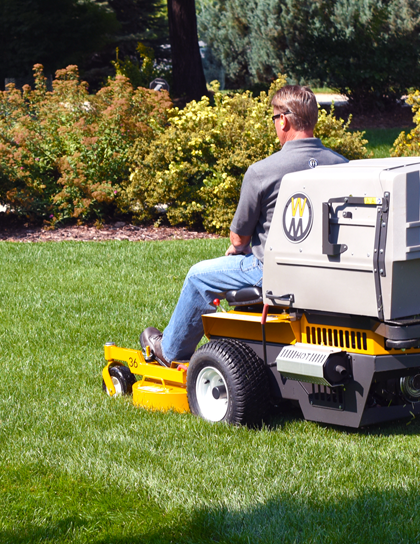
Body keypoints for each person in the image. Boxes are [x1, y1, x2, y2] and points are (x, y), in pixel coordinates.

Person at [141, 84, 348, 367]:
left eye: (274, 119)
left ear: (284, 120)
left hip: (273, 272)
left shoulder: (262, 171)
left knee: (198, 276)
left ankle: (171, 350)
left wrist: (239, 248)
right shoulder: (342, 165)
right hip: (327, 270)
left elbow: (239, 240)